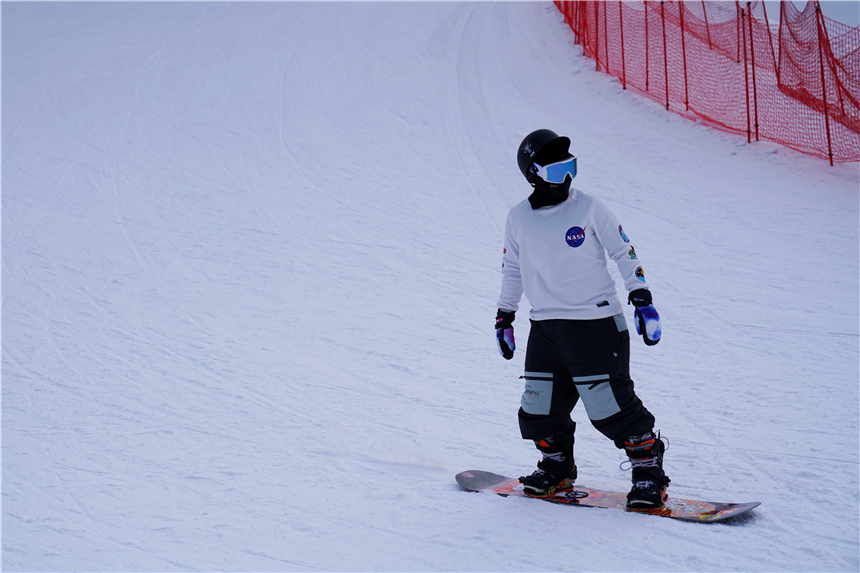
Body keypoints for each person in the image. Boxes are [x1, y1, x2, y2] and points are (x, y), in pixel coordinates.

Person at [494, 129, 670, 509]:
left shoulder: (589, 208)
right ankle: (556, 467)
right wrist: (504, 316)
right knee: (539, 407)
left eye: (571, 167)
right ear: (534, 174)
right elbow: (512, 269)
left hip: (596, 324)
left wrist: (641, 299)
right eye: (558, 171)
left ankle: (648, 473)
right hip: (545, 327)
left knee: (611, 407)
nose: (568, 179)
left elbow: (624, 252)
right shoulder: (518, 218)